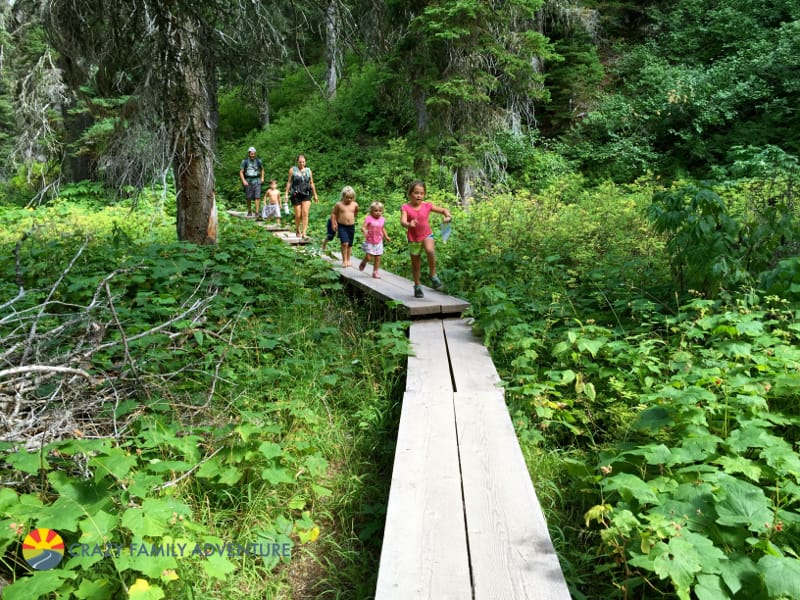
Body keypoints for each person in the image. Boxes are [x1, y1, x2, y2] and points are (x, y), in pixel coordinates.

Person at [400, 180, 452, 298]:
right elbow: (403, 221)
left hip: (427, 234)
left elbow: (444, 210)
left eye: (421, 193)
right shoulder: (406, 207)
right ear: (410, 194)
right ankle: (417, 286)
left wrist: (448, 216)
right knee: (416, 264)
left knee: (430, 250)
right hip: (413, 239)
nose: (419, 195)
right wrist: (409, 224)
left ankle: (433, 275)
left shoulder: (427, 206)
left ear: (424, 194)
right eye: (416, 193)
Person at [284, 154, 318, 237]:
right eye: (300, 162)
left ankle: (304, 232)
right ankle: (297, 229)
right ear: (297, 162)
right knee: (298, 214)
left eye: (303, 162)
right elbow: (289, 182)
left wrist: (315, 195)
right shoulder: (293, 170)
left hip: (306, 193)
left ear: (305, 162)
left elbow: (311, 183)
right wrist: (286, 194)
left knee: (305, 213)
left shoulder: (308, 171)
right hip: (296, 194)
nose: (302, 164)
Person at [359, 201, 391, 279]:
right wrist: (364, 230)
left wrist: (386, 236)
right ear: (371, 211)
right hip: (370, 241)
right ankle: (364, 261)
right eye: (376, 211)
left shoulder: (382, 219)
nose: (378, 212)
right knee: (369, 257)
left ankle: (375, 272)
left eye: (380, 211)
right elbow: (363, 227)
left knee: (377, 257)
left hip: (379, 241)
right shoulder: (369, 218)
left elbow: (382, 228)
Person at [331, 186, 359, 267]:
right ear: (343, 196)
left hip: (351, 226)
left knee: (349, 244)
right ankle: (344, 260)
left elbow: (356, 212)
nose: (349, 199)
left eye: (351, 198)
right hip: (342, 226)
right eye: (347, 197)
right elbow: (333, 214)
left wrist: (352, 218)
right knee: (344, 243)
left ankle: (348, 260)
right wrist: (334, 223)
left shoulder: (355, 205)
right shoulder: (339, 205)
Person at [239, 146, 264, 217]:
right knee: (248, 197)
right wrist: (243, 180)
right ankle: (249, 211)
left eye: (254, 154)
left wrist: (262, 178)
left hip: (257, 180)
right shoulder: (245, 162)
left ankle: (256, 212)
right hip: (248, 180)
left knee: (257, 196)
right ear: (249, 154)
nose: (253, 155)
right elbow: (241, 172)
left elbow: (262, 169)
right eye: (251, 154)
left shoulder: (258, 161)